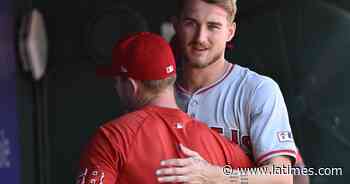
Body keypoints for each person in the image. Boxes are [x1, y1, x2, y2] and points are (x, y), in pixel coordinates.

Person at [155, 0, 309, 183]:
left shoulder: (258, 90)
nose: (200, 37)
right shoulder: (158, 92)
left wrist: (214, 176)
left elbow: (281, 177)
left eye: (213, 26)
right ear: (176, 25)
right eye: (191, 23)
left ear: (230, 32)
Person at [76, 32, 253, 184]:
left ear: (131, 86)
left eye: (116, 82)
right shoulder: (221, 144)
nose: (115, 88)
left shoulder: (111, 138)